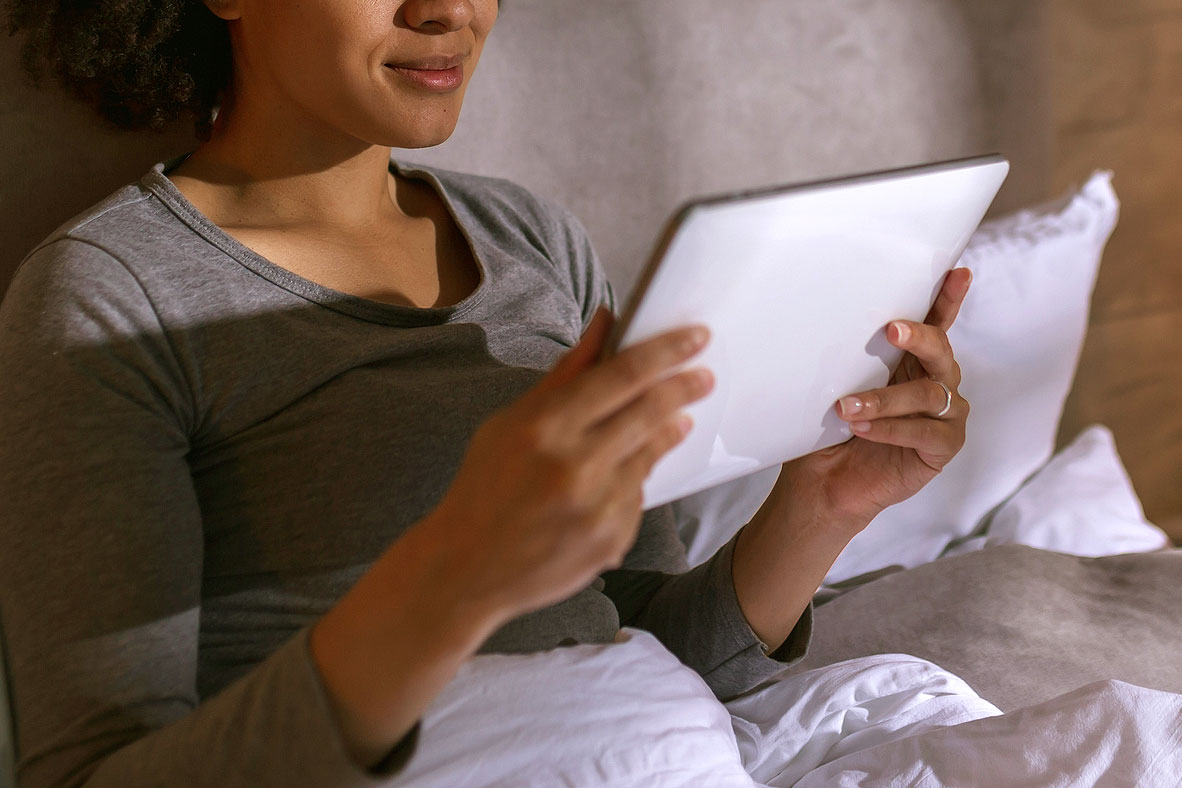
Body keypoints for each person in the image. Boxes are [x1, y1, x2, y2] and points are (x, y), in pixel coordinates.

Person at [0, 1, 971, 785]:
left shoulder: (533, 238)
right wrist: (458, 569)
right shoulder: (109, 296)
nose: (449, 10)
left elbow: (633, 643)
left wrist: (816, 509)